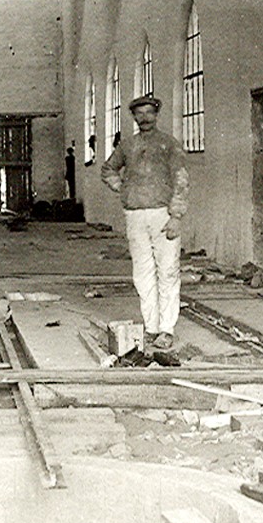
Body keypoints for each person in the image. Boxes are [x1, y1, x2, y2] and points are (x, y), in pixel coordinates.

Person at [100, 94, 189, 352]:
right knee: (142, 273)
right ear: (134, 117)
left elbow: (181, 180)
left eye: (149, 112)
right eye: (139, 113)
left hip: (163, 214)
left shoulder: (169, 144)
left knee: (168, 271)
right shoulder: (128, 145)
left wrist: (176, 216)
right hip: (135, 215)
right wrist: (123, 188)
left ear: (156, 115)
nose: (145, 118)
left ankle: (167, 329)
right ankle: (151, 328)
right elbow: (108, 169)